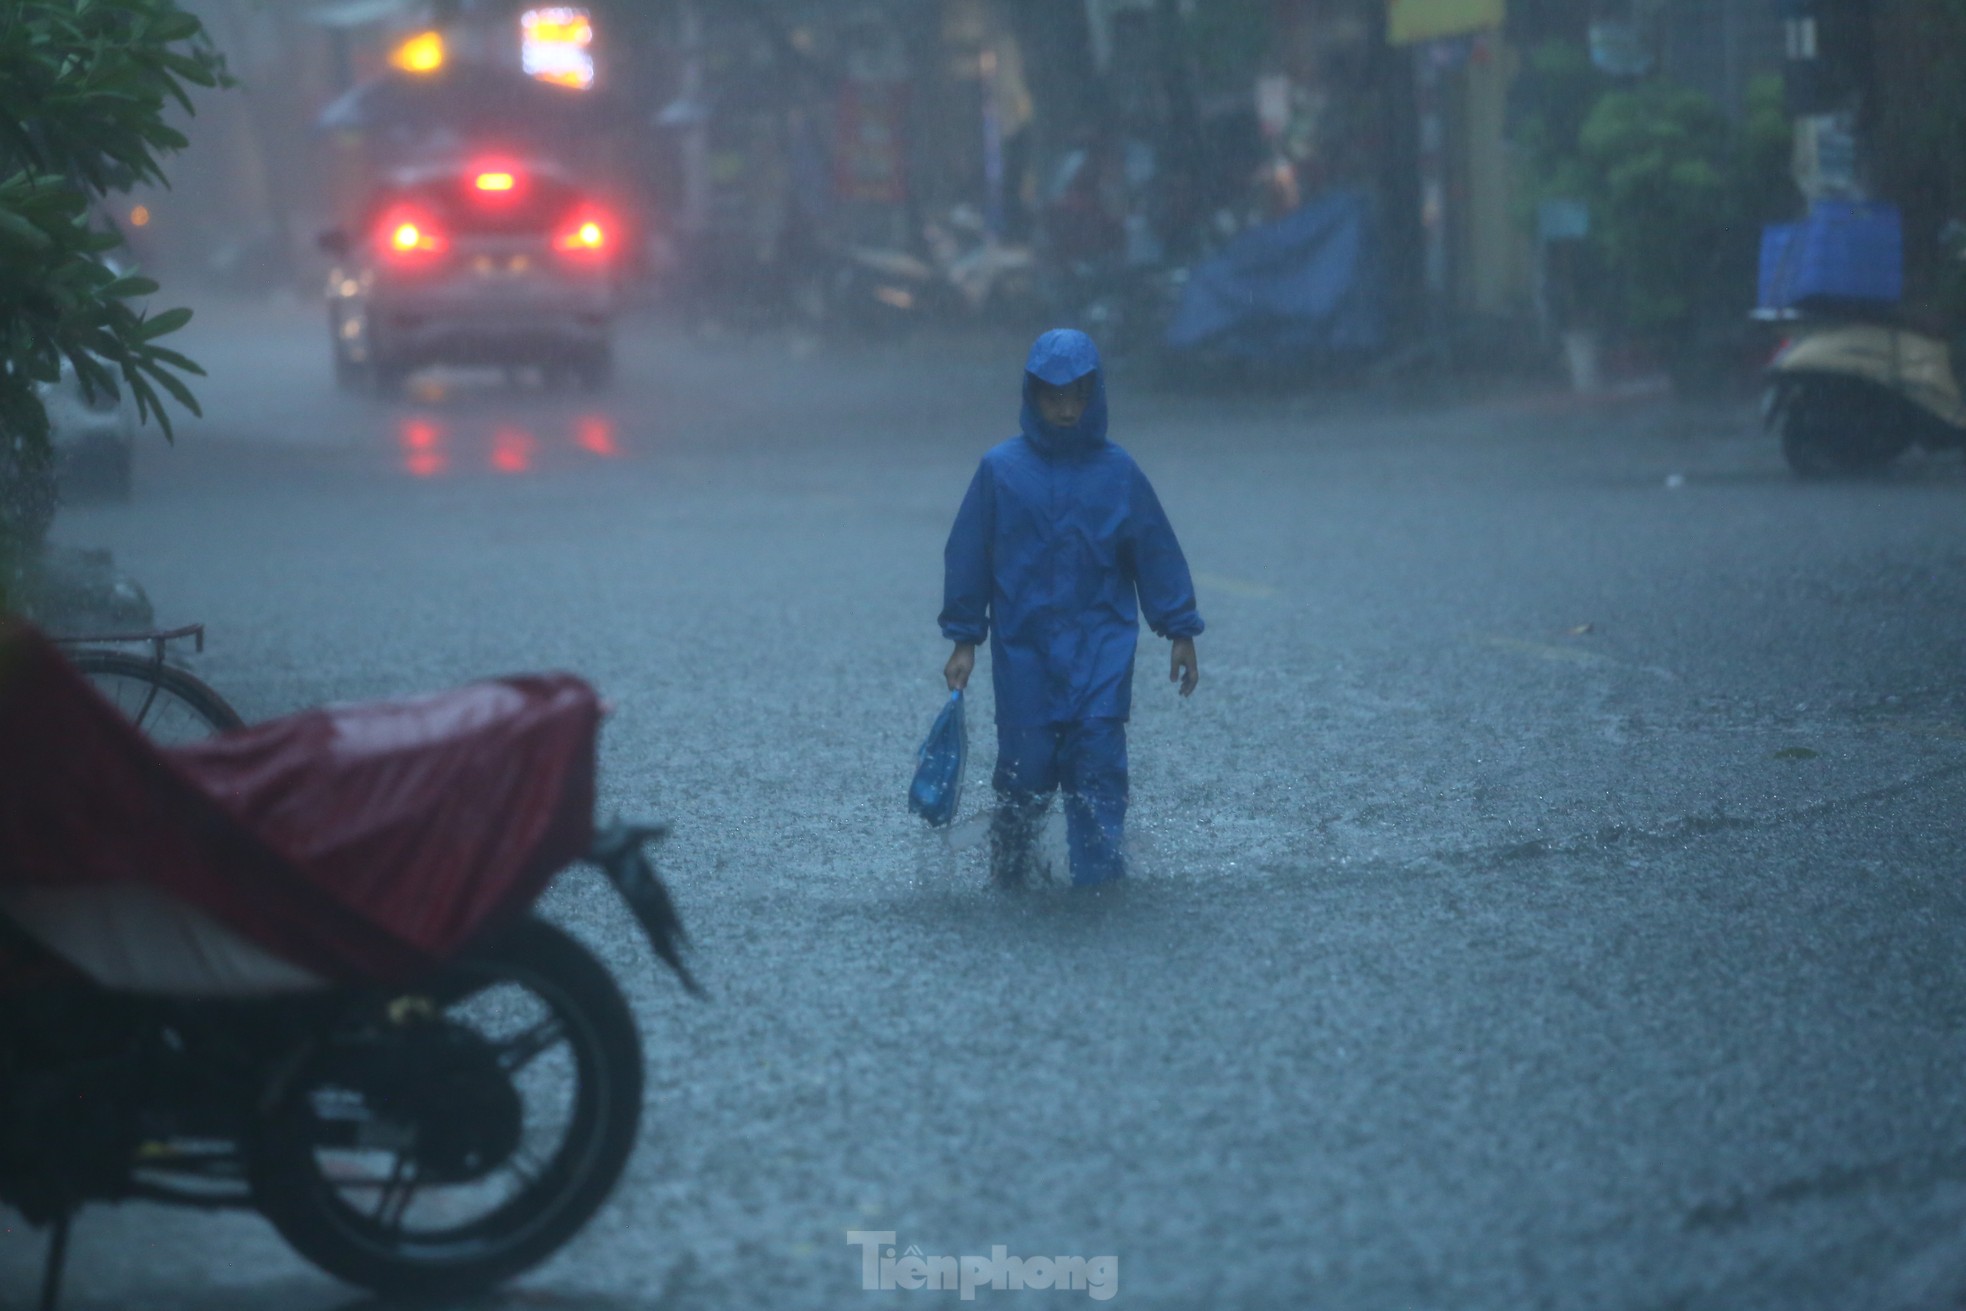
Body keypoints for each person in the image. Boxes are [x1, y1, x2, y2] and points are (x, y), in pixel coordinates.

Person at [939, 329, 1203, 888]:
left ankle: (1100, 883)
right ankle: (1010, 877)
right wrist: (965, 639)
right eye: (1052, 396)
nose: (1064, 409)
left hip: (1100, 655)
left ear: (1094, 396)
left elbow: (1154, 550)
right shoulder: (1000, 471)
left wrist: (1180, 630)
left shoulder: (1118, 473)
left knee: (1099, 774)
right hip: (1025, 656)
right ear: (1032, 396)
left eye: (1075, 396)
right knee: (1023, 777)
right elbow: (970, 557)